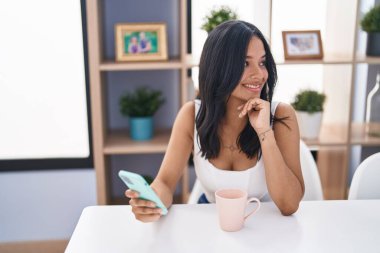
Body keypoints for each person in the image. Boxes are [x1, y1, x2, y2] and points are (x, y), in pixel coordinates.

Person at [125, 20, 305, 222]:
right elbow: (165, 183)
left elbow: (289, 205)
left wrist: (264, 131)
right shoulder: (191, 115)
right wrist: (151, 201)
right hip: (210, 222)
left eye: (262, 62)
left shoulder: (281, 115)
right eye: (245, 63)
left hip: (260, 220)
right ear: (219, 67)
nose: (259, 74)